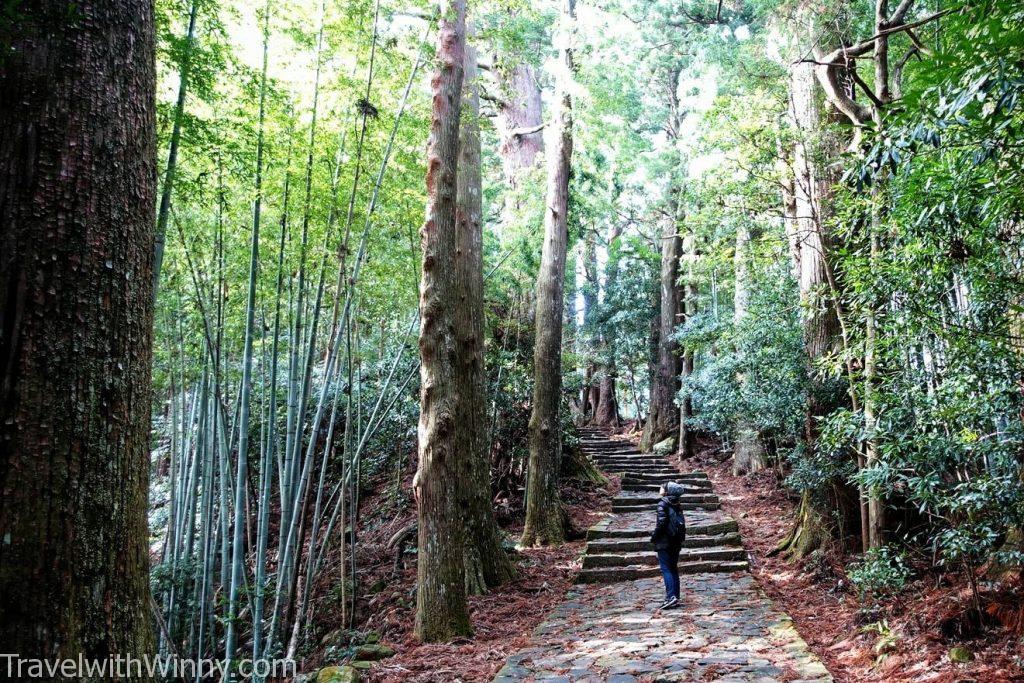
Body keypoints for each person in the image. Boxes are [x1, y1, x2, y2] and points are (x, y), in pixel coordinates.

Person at [650, 481, 686, 609]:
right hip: (676, 541)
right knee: (673, 568)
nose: (661, 487)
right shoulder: (677, 504)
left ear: (667, 491)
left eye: (663, 487)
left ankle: (671, 597)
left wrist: (654, 536)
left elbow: (662, 523)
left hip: (664, 542)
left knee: (666, 568)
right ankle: (675, 596)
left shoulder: (663, 503)